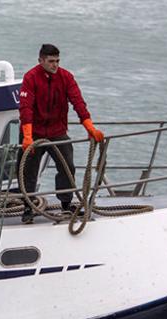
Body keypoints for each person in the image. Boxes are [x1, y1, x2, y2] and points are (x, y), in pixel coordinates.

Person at [18, 44, 104, 223]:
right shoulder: (30, 78)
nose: (55, 65)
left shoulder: (66, 77)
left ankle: (66, 204)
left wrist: (89, 127)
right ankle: (28, 206)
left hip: (57, 131)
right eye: (51, 61)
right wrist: (27, 135)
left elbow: (78, 102)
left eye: (57, 61)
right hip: (34, 133)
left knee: (68, 166)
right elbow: (25, 108)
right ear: (40, 60)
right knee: (28, 170)